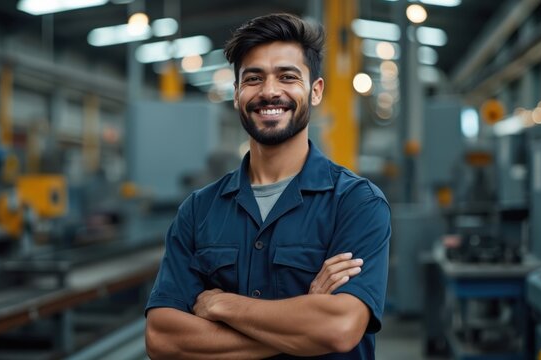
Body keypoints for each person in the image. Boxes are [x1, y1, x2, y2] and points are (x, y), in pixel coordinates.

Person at [144, 13, 391, 359]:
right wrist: (305, 319)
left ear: (315, 91)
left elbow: (338, 329)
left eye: (287, 77)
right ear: (236, 93)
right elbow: (162, 338)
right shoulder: (198, 210)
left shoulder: (355, 203)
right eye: (254, 79)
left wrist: (222, 305)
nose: (270, 91)